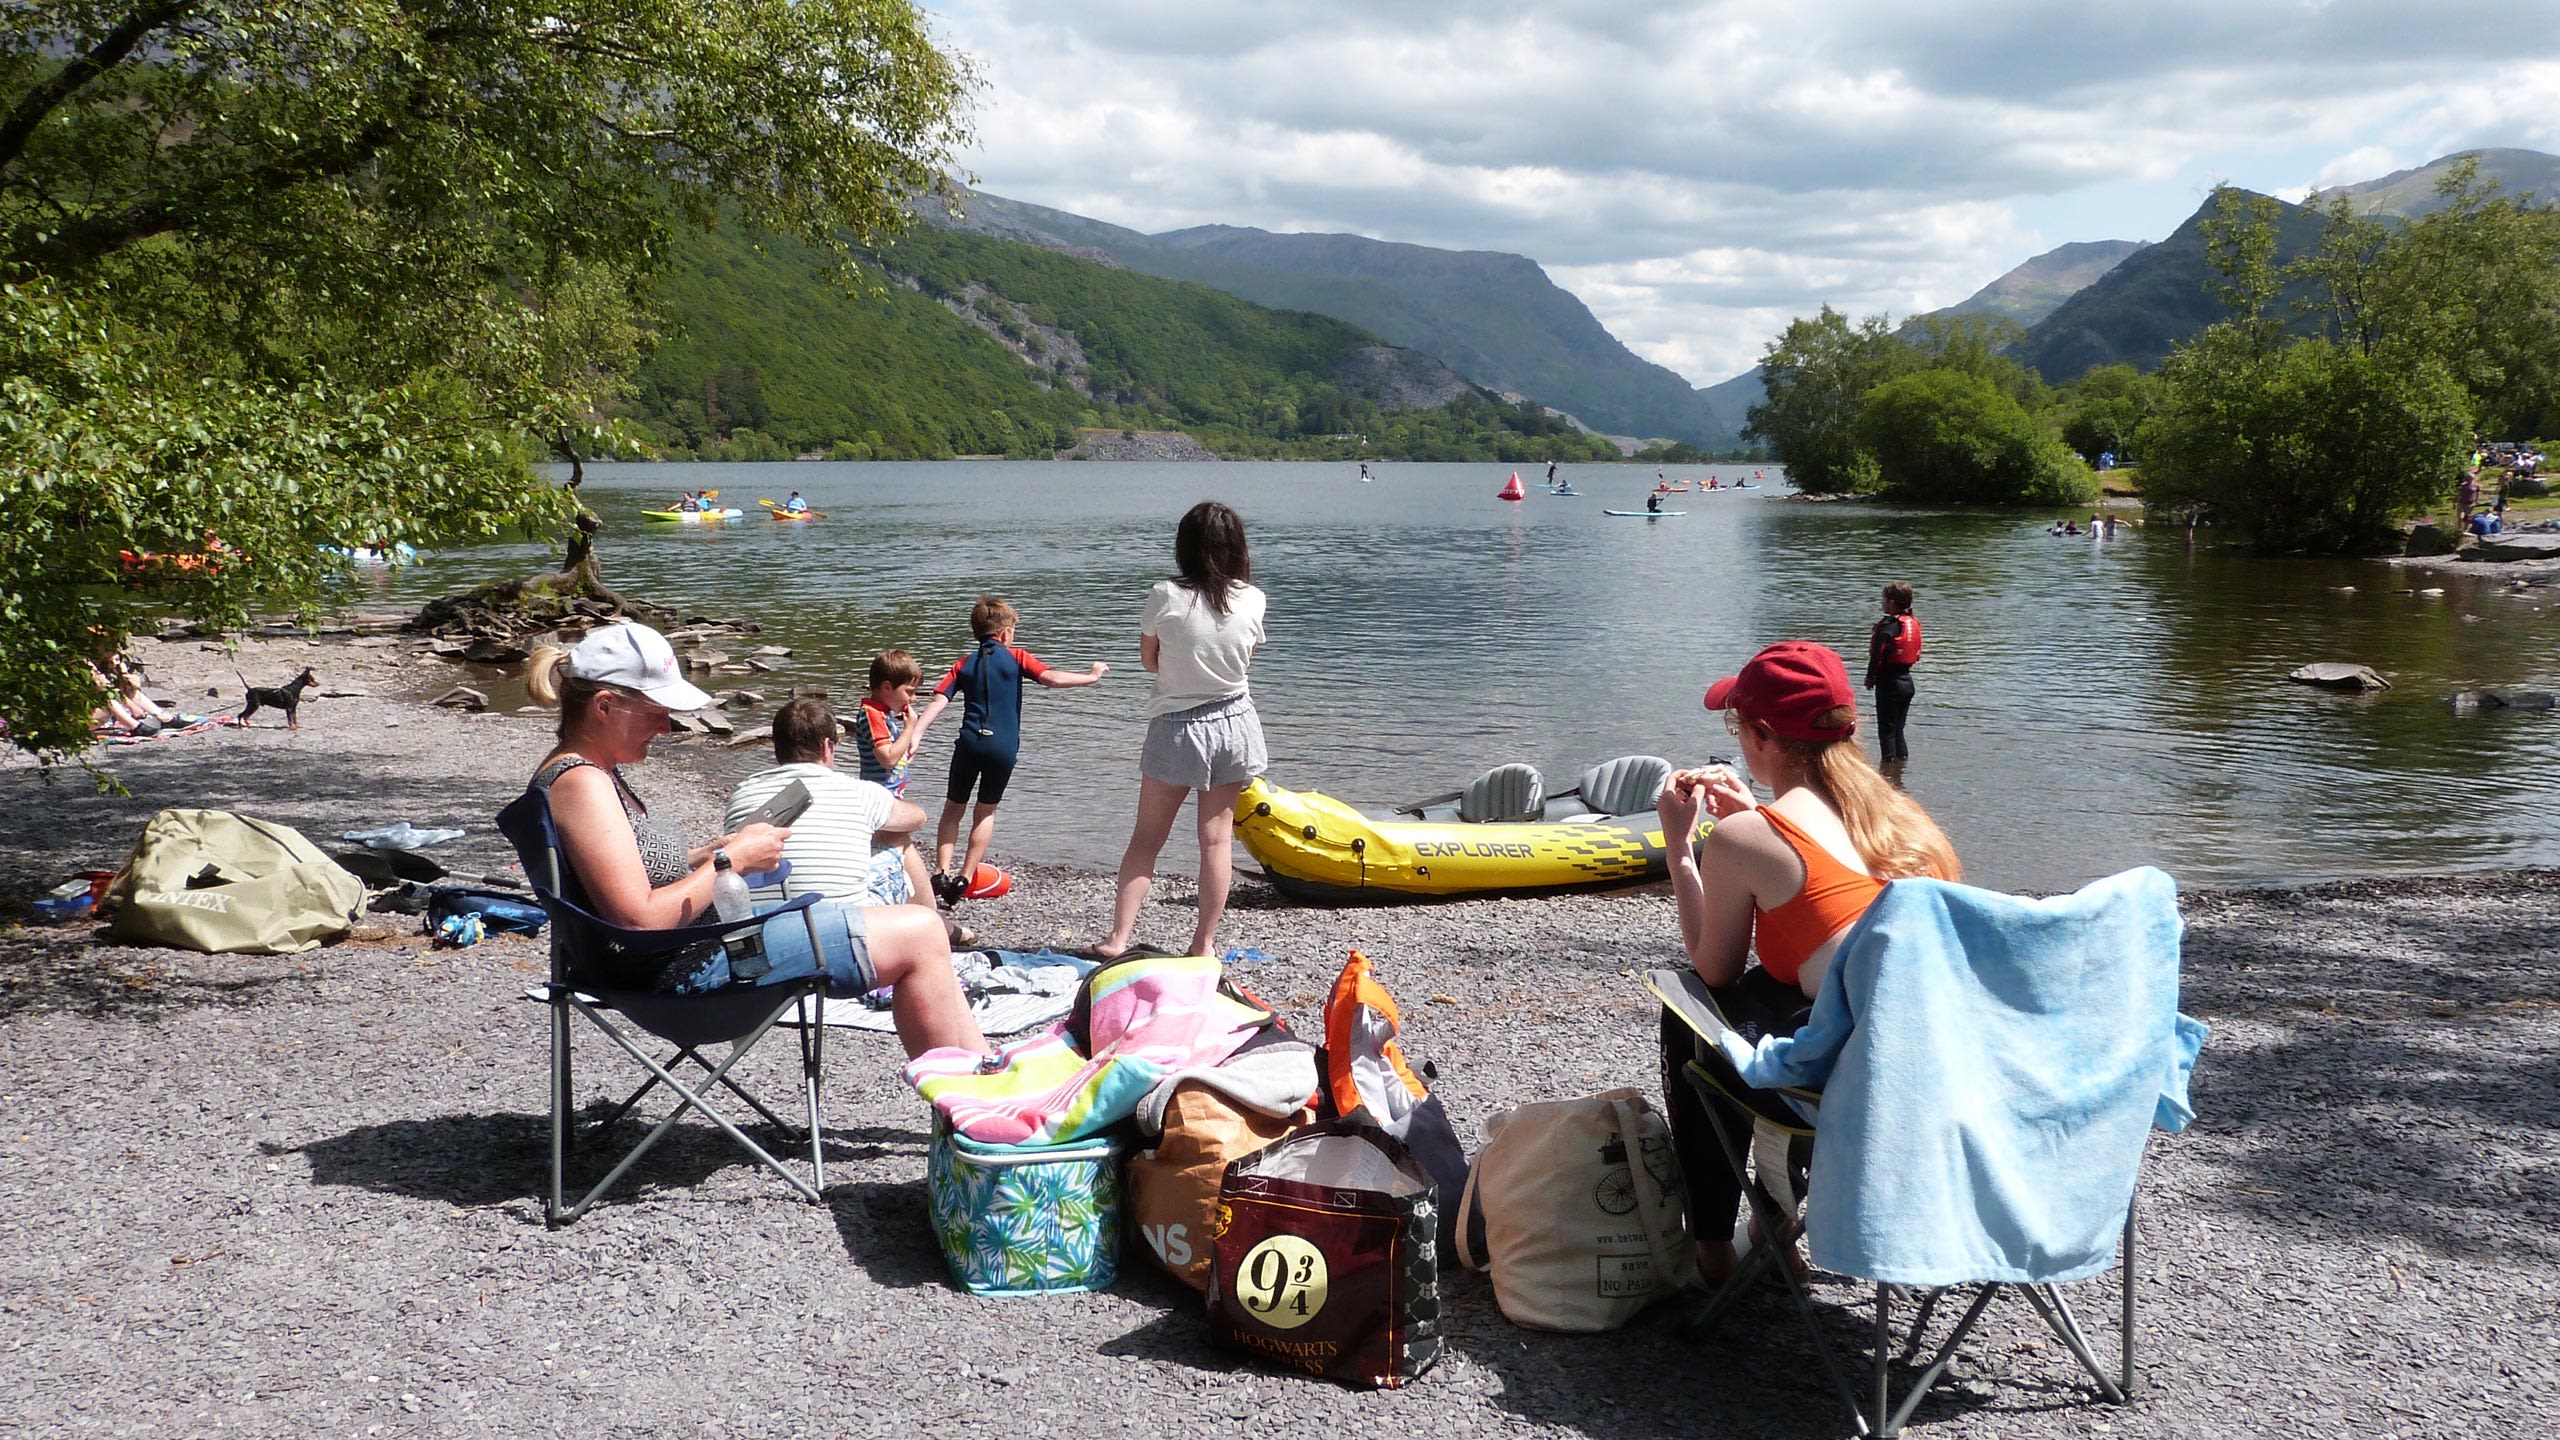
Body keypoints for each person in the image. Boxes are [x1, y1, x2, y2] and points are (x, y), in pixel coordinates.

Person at [524, 624, 983, 1058]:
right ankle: (972, 1102)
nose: (666, 727)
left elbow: (624, 876)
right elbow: (639, 920)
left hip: (681, 956)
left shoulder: (584, 774)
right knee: (921, 931)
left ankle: (985, 1078)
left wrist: (708, 853)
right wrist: (732, 860)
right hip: (683, 976)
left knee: (892, 924)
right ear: (604, 706)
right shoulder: (583, 784)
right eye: (656, 712)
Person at [1654, 640, 1961, 1281]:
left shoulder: (1747, 839)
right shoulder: (1908, 824)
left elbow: (1711, 971)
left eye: (1737, 726)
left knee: (1692, 1009)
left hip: (1854, 1091)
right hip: (1947, 1076)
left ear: (1761, 735)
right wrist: (1760, 820)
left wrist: (1683, 849)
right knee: (1778, 987)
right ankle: (1776, 1229)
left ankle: (1714, 1244)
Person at [1094, 501, 1269, 960]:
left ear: (1184, 547)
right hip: (1234, 721)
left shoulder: (1165, 595)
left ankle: (1118, 939)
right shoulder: (1252, 597)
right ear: (1236, 547)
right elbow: (1245, 656)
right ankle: (1203, 945)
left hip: (1177, 725)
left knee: (1147, 837)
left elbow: (1149, 660)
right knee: (1216, 839)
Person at [724, 697, 972, 946]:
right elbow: (917, 818)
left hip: (759, 933)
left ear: (776, 745)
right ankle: (936, 928)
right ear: (826, 746)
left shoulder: (742, 792)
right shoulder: (857, 792)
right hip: (844, 934)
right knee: (897, 836)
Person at [915, 596, 1109, 905]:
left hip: (969, 743)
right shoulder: (1017, 657)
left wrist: (917, 733)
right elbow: (1053, 679)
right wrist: (1092, 675)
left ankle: (940, 872)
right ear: (1005, 633)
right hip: (1002, 748)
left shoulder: (963, 663)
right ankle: (965, 877)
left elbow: (939, 699)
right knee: (985, 810)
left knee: (954, 807)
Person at [851, 649, 926, 797]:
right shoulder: (872, 715)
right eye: (909, 692)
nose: (914, 698)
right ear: (886, 687)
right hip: (880, 797)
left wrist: (905, 748)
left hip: (891, 794)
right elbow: (888, 759)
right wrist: (909, 728)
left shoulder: (883, 714)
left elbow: (893, 752)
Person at [1866, 582, 1920, 765]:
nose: (1882, 603)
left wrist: (1870, 677)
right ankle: (1900, 768)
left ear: (1891, 602)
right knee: (1898, 729)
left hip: (1889, 683)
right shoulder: (1911, 622)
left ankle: (1888, 773)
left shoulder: (1888, 626)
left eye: (1884, 599)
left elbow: (1876, 655)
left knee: (1886, 730)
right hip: (1907, 683)